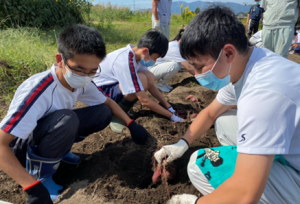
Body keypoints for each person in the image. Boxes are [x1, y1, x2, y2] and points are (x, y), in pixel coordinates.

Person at [155, 6, 300, 204]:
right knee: (223, 122)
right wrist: (182, 143)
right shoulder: (251, 63)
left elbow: (245, 195)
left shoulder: (261, 95)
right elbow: (210, 114)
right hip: (293, 147)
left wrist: (195, 203)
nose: (196, 75)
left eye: (199, 67)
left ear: (228, 53)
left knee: (199, 166)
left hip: (296, 173)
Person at [0, 25, 149, 204]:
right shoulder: (38, 91)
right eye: (79, 69)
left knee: (102, 112)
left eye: (93, 71)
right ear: (60, 59)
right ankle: (41, 176)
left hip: (49, 129)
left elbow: (107, 102)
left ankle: (57, 152)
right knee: (66, 120)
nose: (86, 75)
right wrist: (32, 188)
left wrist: (131, 125)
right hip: (20, 148)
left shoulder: (82, 81)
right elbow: (1, 144)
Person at [93, 31, 184, 134]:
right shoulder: (124, 61)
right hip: (101, 94)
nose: (154, 61)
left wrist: (168, 107)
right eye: (155, 58)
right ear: (145, 51)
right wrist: (172, 117)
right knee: (141, 79)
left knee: (149, 76)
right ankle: (115, 116)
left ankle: (122, 109)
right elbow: (145, 101)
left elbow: (151, 85)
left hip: (111, 87)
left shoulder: (136, 56)